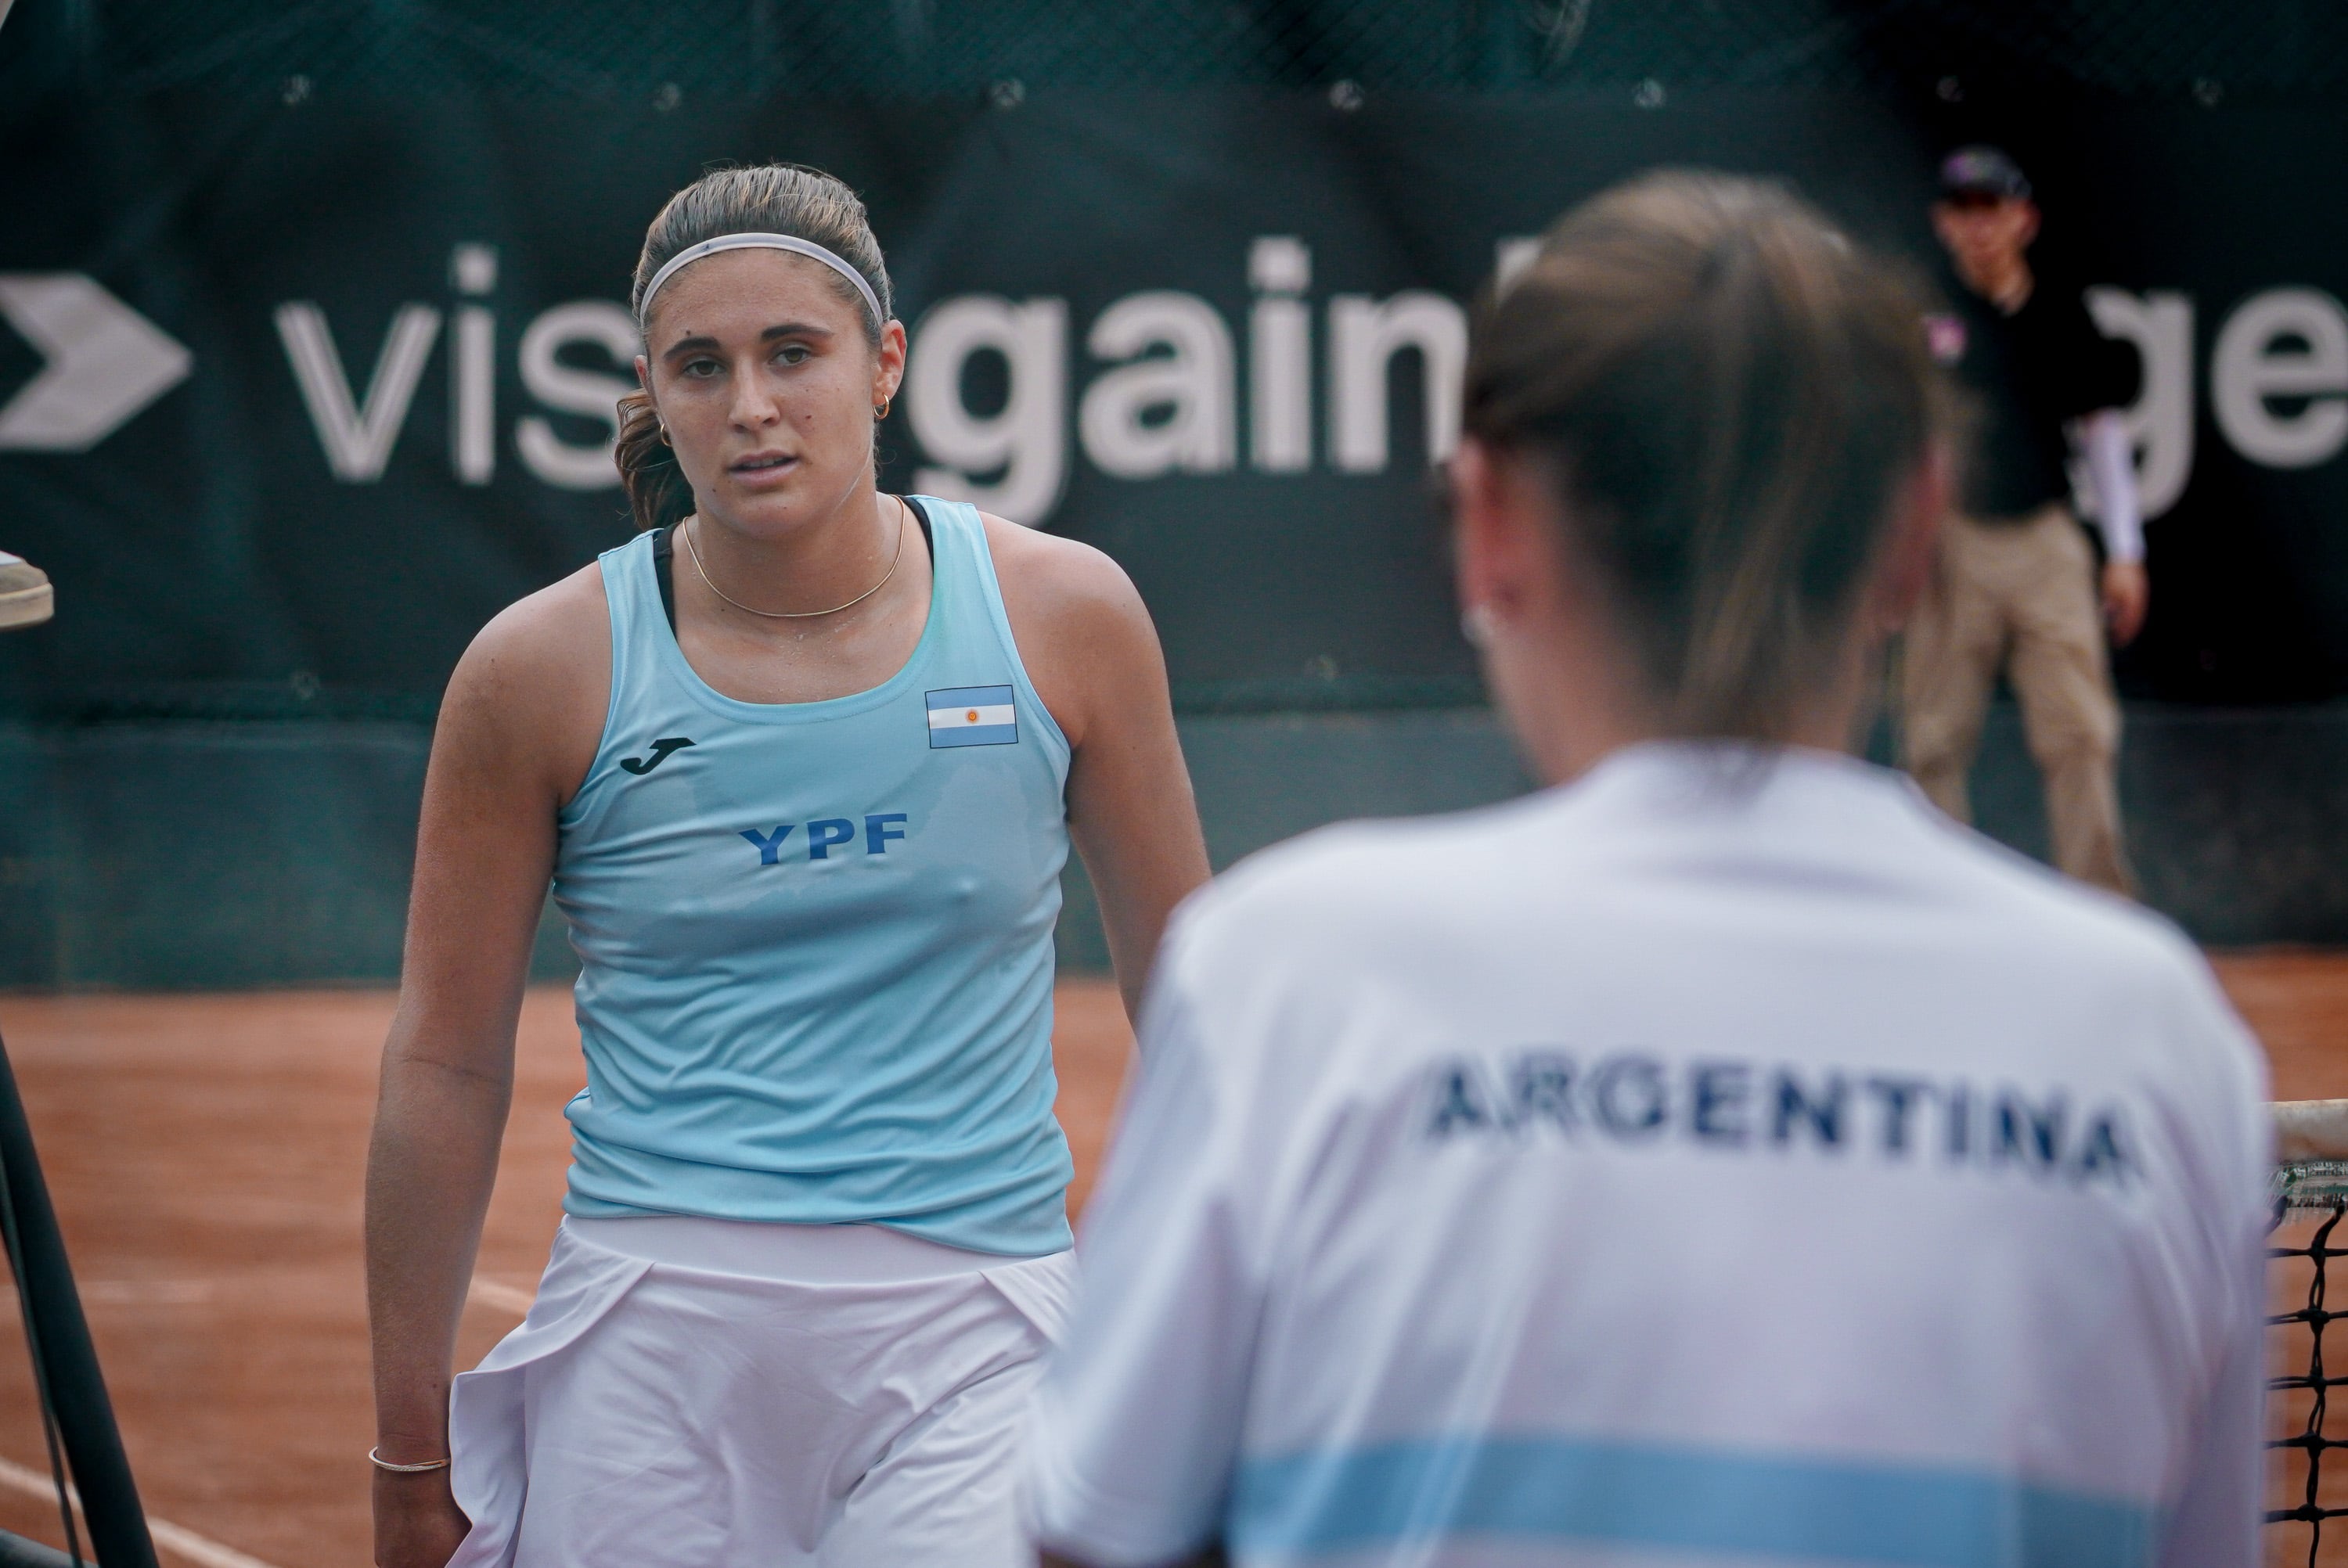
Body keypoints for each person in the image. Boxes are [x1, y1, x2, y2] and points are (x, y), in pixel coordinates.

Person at [1028, 173, 2267, 1568]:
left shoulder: (1280, 970)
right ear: (1916, 536)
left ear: (1485, 526)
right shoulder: (2157, 1037)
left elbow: (1098, 1531)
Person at [365, 164, 1208, 1568]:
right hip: (647, 1333)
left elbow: (1195, 1005)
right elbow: (445, 1061)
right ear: (652, 384)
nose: (750, 404)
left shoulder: (1067, 614)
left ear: (884, 365)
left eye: (793, 353)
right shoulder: (538, 666)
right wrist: (408, 1453)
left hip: (981, 1333)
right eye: (702, 365)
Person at [1905, 145, 2145, 896]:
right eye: (1963, 212)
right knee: (1932, 741)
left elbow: (2101, 432)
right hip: (1952, 538)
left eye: (1993, 210)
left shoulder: (2064, 312)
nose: (1979, 228)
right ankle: (1937, 911)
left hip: (2045, 537)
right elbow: (1900, 440)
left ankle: (2102, 912)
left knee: (2080, 733)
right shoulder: (1925, 314)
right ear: (1943, 224)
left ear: (2024, 220)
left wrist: (2125, 552)